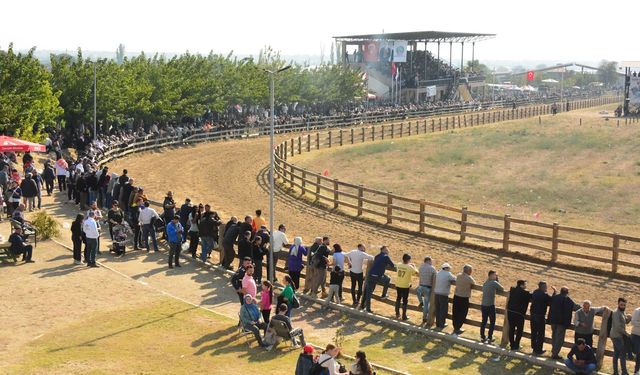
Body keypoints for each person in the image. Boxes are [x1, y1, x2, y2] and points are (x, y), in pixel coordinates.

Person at [360, 246, 395, 314]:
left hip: (370, 275)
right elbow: (392, 265)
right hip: (377, 276)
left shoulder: (377, 256)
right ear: (384, 250)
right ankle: (383, 295)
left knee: (368, 292)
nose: (388, 251)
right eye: (387, 250)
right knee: (388, 279)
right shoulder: (386, 257)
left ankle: (366, 307)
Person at [549, 287, 579, 360]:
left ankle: (553, 351)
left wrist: (555, 292)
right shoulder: (568, 300)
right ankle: (554, 354)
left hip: (553, 320)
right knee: (559, 339)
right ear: (567, 292)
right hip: (561, 322)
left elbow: (551, 300)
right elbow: (576, 307)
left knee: (554, 336)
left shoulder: (555, 297)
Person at [530, 281, 556, 355]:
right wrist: (555, 291)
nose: (546, 288)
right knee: (540, 334)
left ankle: (534, 347)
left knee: (534, 332)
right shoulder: (544, 295)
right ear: (542, 287)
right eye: (545, 286)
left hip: (533, 315)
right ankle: (538, 350)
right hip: (540, 316)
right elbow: (552, 300)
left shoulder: (535, 292)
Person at [506, 280, 531, 350]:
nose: (526, 286)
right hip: (519, 314)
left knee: (511, 329)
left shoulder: (512, 289)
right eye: (525, 285)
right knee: (519, 330)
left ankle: (512, 345)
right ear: (521, 285)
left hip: (510, 312)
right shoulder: (526, 293)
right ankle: (516, 345)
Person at [480, 270, 504, 343]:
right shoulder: (494, 282)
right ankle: (490, 336)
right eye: (495, 275)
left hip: (483, 305)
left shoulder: (485, 283)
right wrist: (497, 280)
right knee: (492, 321)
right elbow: (502, 288)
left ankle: (482, 336)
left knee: (484, 321)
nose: (496, 276)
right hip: (490, 305)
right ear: (490, 275)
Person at [452, 264, 475, 335]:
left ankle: (455, 327)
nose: (471, 272)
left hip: (456, 296)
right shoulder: (469, 278)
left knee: (455, 312)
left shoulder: (458, 275)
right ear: (468, 271)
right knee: (462, 313)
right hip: (464, 298)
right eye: (471, 270)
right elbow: (474, 283)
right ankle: (457, 328)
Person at [611, 297, 631, 375]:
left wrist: (628, 318)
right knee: (622, 353)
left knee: (616, 354)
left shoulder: (622, 312)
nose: (622, 306)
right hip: (616, 336)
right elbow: (617, 327)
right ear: (618, 304)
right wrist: (626, 333)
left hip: (619, 336)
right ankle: (624, 372)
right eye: (621, 305)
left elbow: (624, 322)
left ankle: (616, 372)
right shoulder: (616, 312)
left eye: (624, 305)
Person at [395, 253, 417, 321]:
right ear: (408, 260)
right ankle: (404, 315)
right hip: (405, 285)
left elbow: (397, 265)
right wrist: (414, 266)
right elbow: (416, 272)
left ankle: (397, 313)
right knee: (405, 300)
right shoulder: (409, 267)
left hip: (398, 284)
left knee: (398, 298)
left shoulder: (399, 265)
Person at [434, 263, 456, 329]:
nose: (449, 269)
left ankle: (438, 323)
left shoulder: (438, 273)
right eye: (449, 268)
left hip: (436, 293)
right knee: (443, 309)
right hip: (443, 294)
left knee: (438, 309)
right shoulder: (448, 274)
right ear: (446, 268)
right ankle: (441, 324)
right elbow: (455, 279)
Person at [417, 256, 436, 324]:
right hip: (427, 288)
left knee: (418, 292)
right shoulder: (432, 268)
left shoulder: (420, 267)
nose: (432, 262)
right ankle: (425, 318)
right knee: (426, 304)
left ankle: (420, 301)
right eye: (431, 261)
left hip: (420, 286)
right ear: (428, 261)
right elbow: (436, 275)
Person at [630, 306, 640, 375]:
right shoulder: (637, 311)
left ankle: (636, 371)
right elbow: (633, 322)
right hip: (635, 335)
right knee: (637, 352)